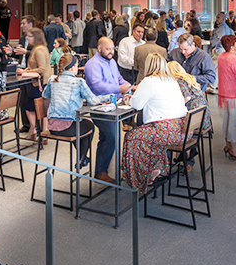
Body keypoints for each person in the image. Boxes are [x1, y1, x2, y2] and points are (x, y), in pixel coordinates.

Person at [121, 54, 187, 193]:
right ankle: (157, 168)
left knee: (132, 136)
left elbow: (137, 105)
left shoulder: (149, 81)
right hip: (182, 129)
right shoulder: (171, 80)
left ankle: (139, 178)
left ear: (148, 66)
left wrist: (132, 98)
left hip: (165, 131)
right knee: (149, 134)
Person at [84, 37, 132, 183]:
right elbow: (98, 86)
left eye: (112, 49)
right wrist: (119, 89)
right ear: (99, 49)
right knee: (111, 136)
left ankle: (107, 169)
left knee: (114, 136)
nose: (111, 52)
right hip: (98, 107)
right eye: (107, 49)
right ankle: (101, 172)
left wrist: (128, 86)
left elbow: (119, 78)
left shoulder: (112, 62)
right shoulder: (92, 65)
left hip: (114, 104)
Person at [42, 53, 101, 168]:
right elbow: (93, 101)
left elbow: (45, 95)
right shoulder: (79, 82)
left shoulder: (52, 79)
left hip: (52, 127)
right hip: (67, 128)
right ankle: (82, 157)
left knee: (78, 127)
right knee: (89, 126)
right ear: (73, 67)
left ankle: (82, 158)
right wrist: (107, 97)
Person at [18, 28, 52, 141]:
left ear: (36, 37)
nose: (27, 38)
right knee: (38, 108)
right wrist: (26, 69)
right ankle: (40, 131)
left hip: (38, 84)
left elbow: (41, 69)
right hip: (39, 83)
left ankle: (36, 130)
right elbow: (35, 66)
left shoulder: (39, 50)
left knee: (31, 106)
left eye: (29, 36)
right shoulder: (39, 48)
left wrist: (25, 72)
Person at [166, 61, 212, 136]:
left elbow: (187, 97)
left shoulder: (179, 80)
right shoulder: (190, 78)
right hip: (204, 118)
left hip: (194, 122)